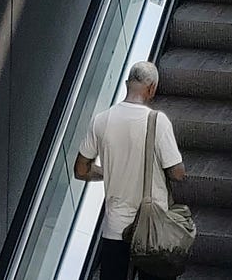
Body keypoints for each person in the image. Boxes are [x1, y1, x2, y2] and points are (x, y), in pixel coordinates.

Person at [75, 61, 186, 280]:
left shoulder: (101, 120)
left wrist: (110, 172)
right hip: (153, 229)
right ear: (152, 88)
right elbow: (177, 173)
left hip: (115, 228)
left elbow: (81, 170)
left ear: (127, 84)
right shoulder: (158, 121)